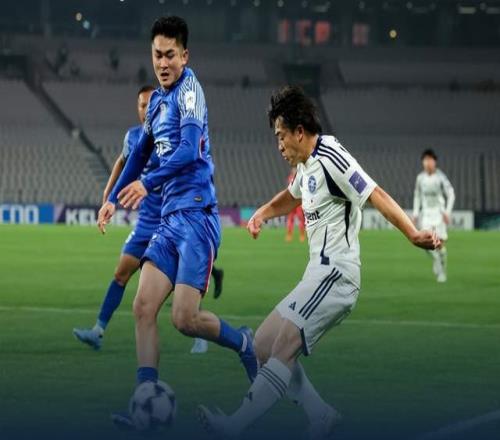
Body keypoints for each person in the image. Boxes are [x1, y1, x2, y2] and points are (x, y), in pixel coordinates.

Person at [197, 86, 441, 439]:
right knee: (263, 345)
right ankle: (320, 414)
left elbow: (375, 193)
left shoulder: (331, 156)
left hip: (337, 274)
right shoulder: (307, 166)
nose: (279, 145)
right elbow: (292, 196)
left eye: (281, 136)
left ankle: (233, 426)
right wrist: (263, 213)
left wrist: (413, 234)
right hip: (317, 275)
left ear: (299, 131)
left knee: (285, 344)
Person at [96, 16, 257, 426]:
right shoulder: (157, 103)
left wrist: (147, 183)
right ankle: (144, 402)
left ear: (185, 56)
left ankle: (244, 342)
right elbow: (138, 153)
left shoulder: (190, 93)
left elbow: (187, 151)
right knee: (142, 307)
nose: (163, 63)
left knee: (185, 319)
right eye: (157, 55)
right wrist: (112, 199)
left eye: (170, 55)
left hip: (197, 216)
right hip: (169, 220)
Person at [72, 86, 224, 354]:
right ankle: (98, 330)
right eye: (141, 105)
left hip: (171, 219)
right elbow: (123, 161)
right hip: (146, 222)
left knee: (180, 283)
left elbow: (191, 158)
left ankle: (199, 333)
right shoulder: (134, 137)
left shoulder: (172, 134)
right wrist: (109, 193)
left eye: (149, 104)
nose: (145, 109)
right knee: (121, 273)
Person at [412, 149, 455, 283]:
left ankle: (442, 272)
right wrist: (415, 213)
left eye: (430, 159)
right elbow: (417, 196)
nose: (428, 162)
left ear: (434, 162)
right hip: (426, 214)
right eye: (425, 160)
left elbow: (451, 194)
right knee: (424, 242)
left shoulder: (440, 177)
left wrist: (447, 212)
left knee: (440, 244)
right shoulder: (420, 178)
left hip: (439, 213)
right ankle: (436, 259)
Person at [285, 167, 305, 242]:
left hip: (296, 202)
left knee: (299, 219)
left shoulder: (291, 178)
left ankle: (301, 235)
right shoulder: (297, 178)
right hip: (294, 202)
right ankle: (290, 235)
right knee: (292, 219)